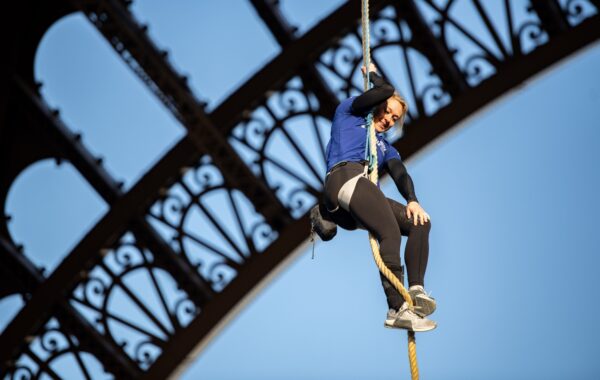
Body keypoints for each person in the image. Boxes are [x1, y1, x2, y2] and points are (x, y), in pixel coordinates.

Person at [322, 64, 436, 332]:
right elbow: (385, 90)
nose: (389, 119)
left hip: (359, 195)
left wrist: (412, 200)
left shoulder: (384, 147)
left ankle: (416, 290)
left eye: (395, 119)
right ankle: (397, 309)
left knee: (420, 223)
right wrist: (372, 75)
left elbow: (400, 172)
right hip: (344, 180)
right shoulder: (349, 113)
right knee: (390, 233)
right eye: (387, 111)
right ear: (378, 104)